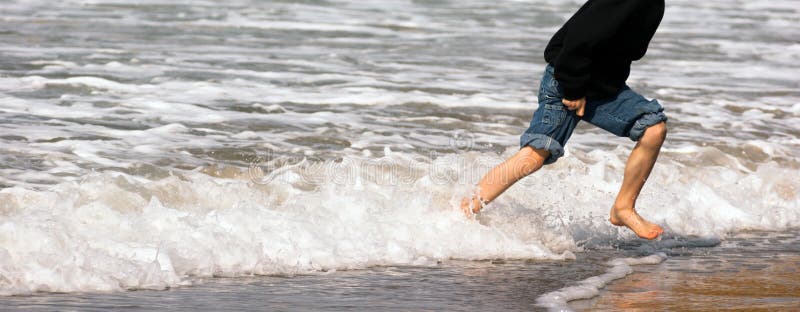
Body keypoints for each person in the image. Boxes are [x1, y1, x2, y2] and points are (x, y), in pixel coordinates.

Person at [461, 0, 667, 239]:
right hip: (566, 81)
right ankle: (464, 211)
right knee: (534, 155)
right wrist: (574, 89)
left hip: (599, 88)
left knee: (653, 128)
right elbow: (579, 39)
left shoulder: (653, 4)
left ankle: (623, 208)